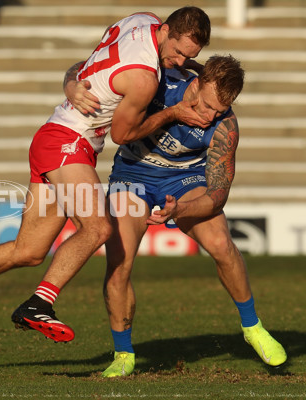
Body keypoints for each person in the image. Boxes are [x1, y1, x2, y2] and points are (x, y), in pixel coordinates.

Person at [0, 7, 211, 349]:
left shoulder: (141, 20)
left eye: (190, 57)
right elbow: (123, 135)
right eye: (179, 52)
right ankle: (40, 304)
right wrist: (172, 113)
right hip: (69, 143)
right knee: (98, 227)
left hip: (53, 137)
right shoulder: (144, 79)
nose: (181, 62)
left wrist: (70, 84)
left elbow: (84, 66)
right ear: (166, 30)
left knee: (29, 251)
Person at [66, 55, 287, 377]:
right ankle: (124, 353)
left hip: (185, 180)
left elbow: (217, 196)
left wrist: (179, 210)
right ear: (195, 84)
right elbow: (85, 67)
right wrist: (71, 86)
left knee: (222, 244)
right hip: (133, 177)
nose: (210, 115)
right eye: (207, 105)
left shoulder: (225, 126)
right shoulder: (156, 83)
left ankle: (253, 328)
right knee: (119, 261)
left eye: (220, 110)